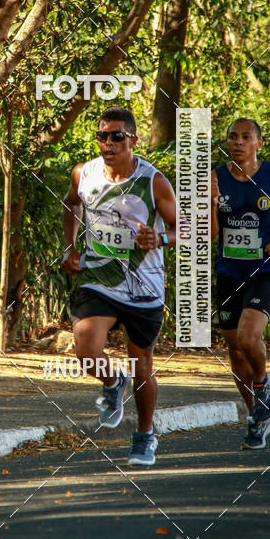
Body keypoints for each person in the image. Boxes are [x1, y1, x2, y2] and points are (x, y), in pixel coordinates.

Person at [62, 107, 177, 466]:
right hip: (99, 277)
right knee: (85, 347)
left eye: (116, 136)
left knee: (142, 362)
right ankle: (113, 383)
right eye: (102, 136)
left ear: (133, 139)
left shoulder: (153, 180)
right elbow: (70, 205)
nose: (107, 143)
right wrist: (70, 246)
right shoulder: (84, 173)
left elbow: (186, 228)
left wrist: (159, 238)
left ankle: (144, 436)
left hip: (144, 285)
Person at [212, 117, 270, 449]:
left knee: (248, 337)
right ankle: (257, 417)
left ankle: (263, 382)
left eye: (245, 137)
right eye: (232, 137)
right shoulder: (215, 177)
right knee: (235, 351)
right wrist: (211, 203)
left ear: (258, 143)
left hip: (264, 271)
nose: (237, 141)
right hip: (228, 273)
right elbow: (210, 234)